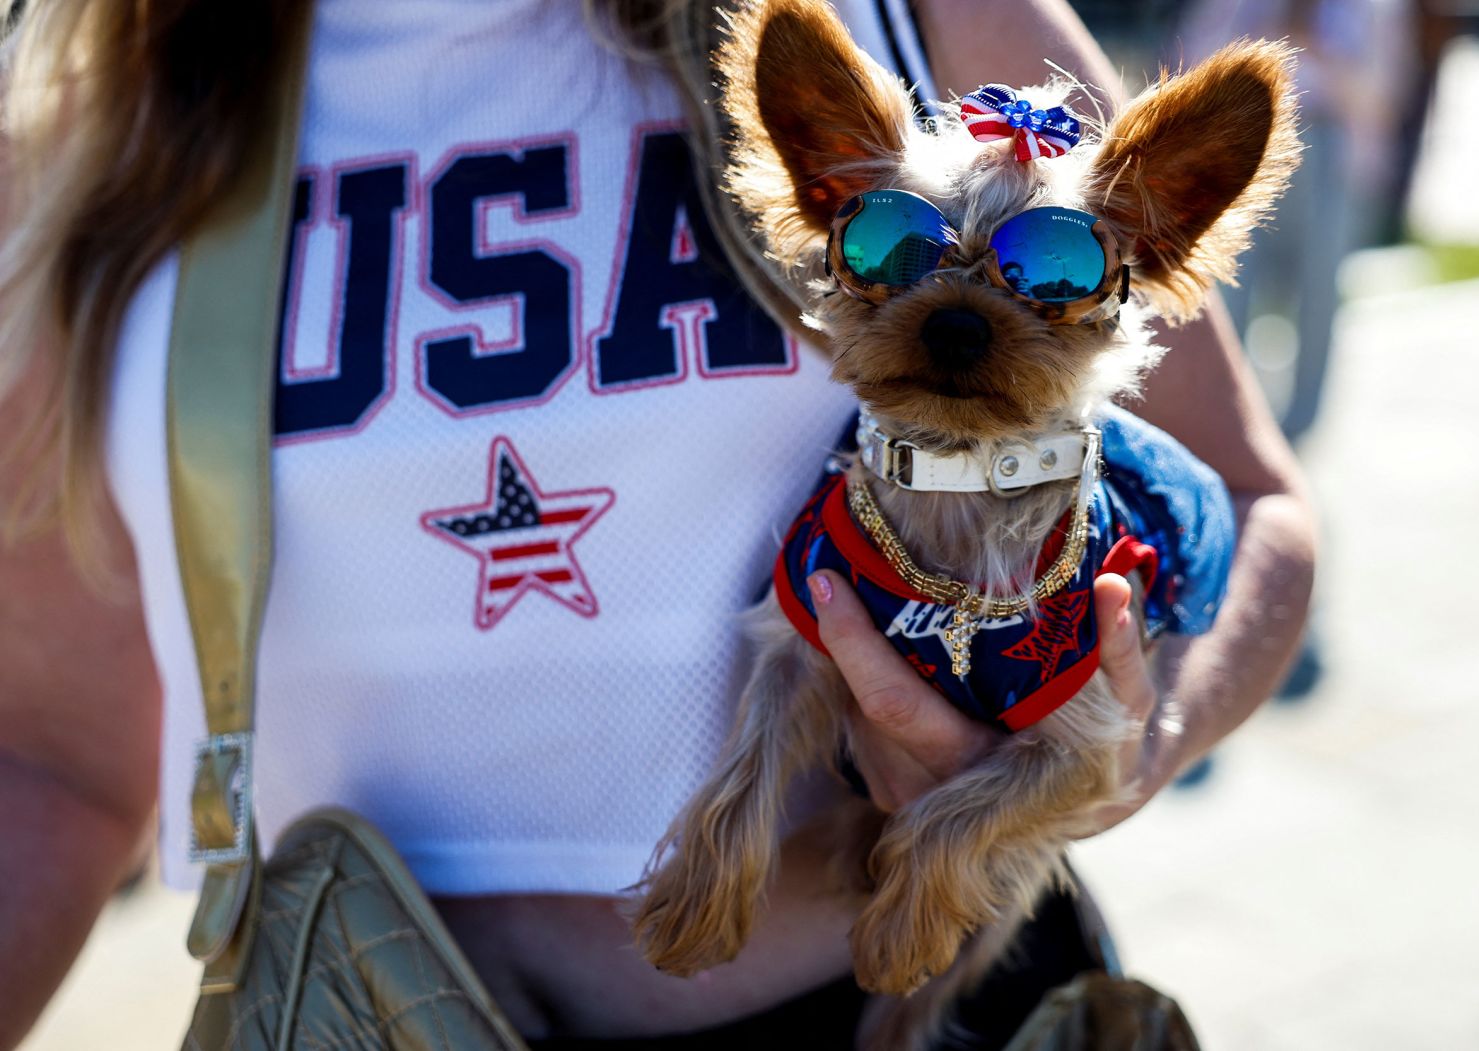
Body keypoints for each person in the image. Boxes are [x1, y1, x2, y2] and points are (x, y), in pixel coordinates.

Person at [0, 0, 1315, 1047]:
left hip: (914, 1016)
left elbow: (1247, 506)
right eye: (892, 251)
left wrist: (1110, 743)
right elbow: (49, 760)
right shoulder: (105, 117)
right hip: (341, 1011)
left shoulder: (921, 19)